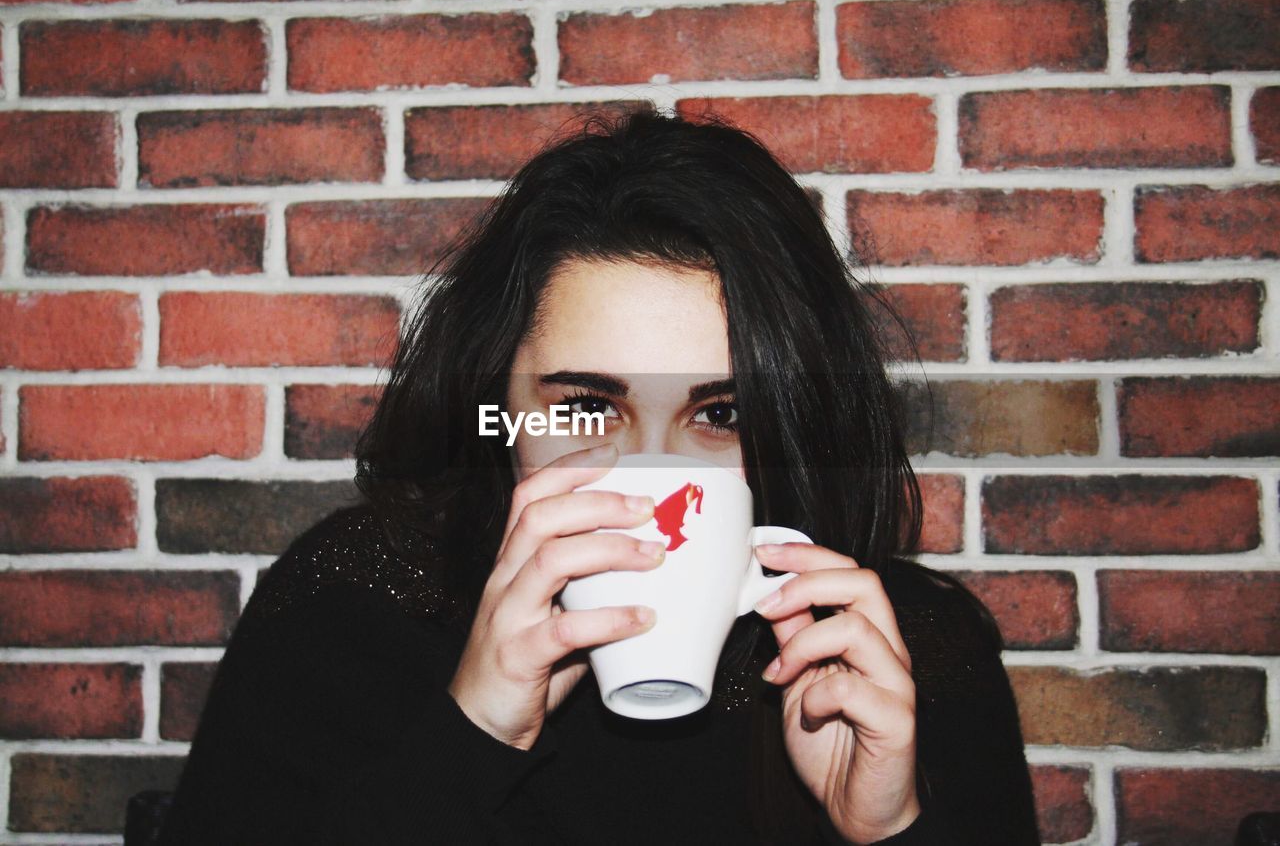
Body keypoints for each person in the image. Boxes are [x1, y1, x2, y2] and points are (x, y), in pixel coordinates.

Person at [156, 109, 1041, 845]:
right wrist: (470, 734)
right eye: (585, 408)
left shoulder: (904, 658)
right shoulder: (350, 613)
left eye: (720, 414)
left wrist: (893, 830)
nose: (654, 473)